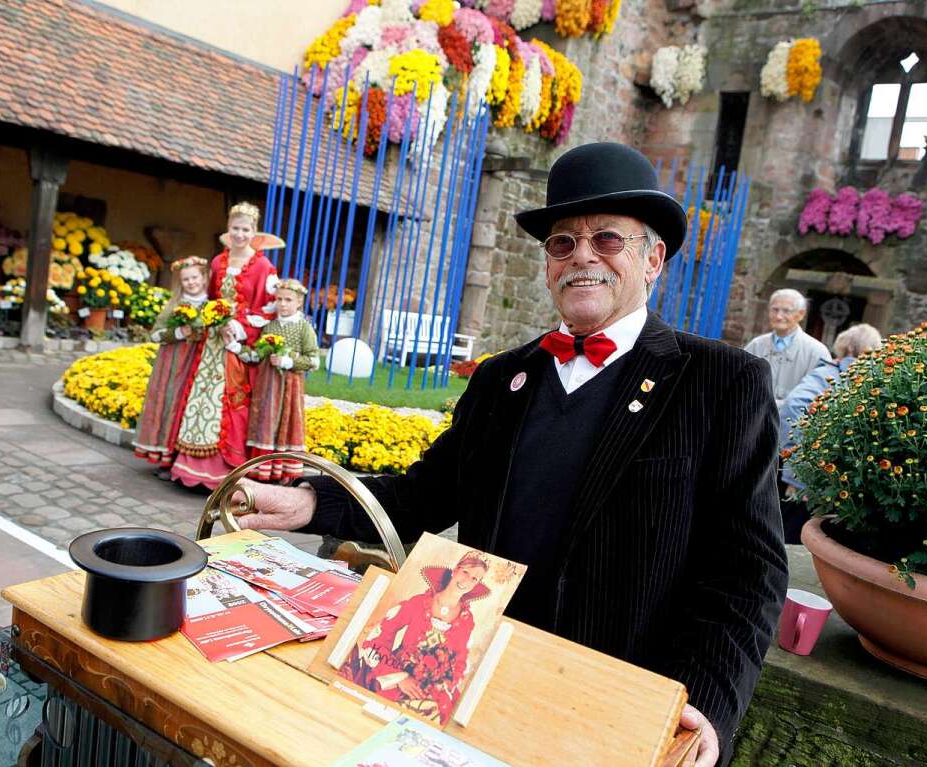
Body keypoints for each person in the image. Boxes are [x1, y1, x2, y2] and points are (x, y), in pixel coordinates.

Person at [235, 143, 787, 767]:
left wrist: (706, 705)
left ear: (651, 258)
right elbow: (424, 494)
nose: (582, 257)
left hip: (613, 705)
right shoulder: (504, 378)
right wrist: (308, 499)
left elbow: (748, 572)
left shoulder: (722, 382)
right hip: (470, 681)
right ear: (548, 264)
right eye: (562, 243)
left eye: (606, 239)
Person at [171, 202, 279, 489]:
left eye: (246, 229)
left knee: (230, 401)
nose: (240, 234)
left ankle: (223, 470)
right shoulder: (218, 261)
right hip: (212, 341)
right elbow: (208, 297)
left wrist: (240, 328)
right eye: (235, 228)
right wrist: (211, 318)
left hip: (236, 342)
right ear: (228, 229)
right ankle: (189, 467)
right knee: (201, 396)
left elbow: (267, 308)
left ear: (254, 231)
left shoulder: (264, 267)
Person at [346, 551, 489, 725]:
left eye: (475, 579)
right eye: (465, 572)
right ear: (455, 570)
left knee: (437, 716)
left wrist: (441, 684)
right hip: (398, 674)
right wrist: (400, 677)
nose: (467, 580)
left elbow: (460, 660)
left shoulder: (466, 620)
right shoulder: (419, 603)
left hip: (434, 686)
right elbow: (377, 638)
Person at [778, 323, 882, 543]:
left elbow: (793, 407)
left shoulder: (834, 374)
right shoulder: (836, 376)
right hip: (814, 481)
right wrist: (800, 471)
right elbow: (796, 406)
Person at [132, 256, 210, 478]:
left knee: (190, 409)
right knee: (171, 405)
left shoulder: (210, 305)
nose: (191, 282)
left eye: (195, 277)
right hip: (173, 364)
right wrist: (178, 333)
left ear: (204, 277)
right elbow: (155, 334)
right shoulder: (175, 305)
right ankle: (166, 458)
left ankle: (186, 460)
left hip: (199, 363)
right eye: (186, 279)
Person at [243, 278, 320, 483]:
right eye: (279, 299)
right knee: (266, 421)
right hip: (267, 385)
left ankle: (285, 471)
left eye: (288, 300)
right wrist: (237, 349)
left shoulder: (303, 328)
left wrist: (288, 360)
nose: (283, 304)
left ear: (299, 303)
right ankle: (263, 469)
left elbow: (314, 361)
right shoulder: (270, 326)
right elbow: (258, 354)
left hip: (290, 386)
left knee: (287, 422)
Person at [744, 289, 830, 408]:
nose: (779, 316)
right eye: (775, 309)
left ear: (800, 314)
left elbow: (820, 396)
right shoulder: (756, 345)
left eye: (786, 311)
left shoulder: (817, 352)